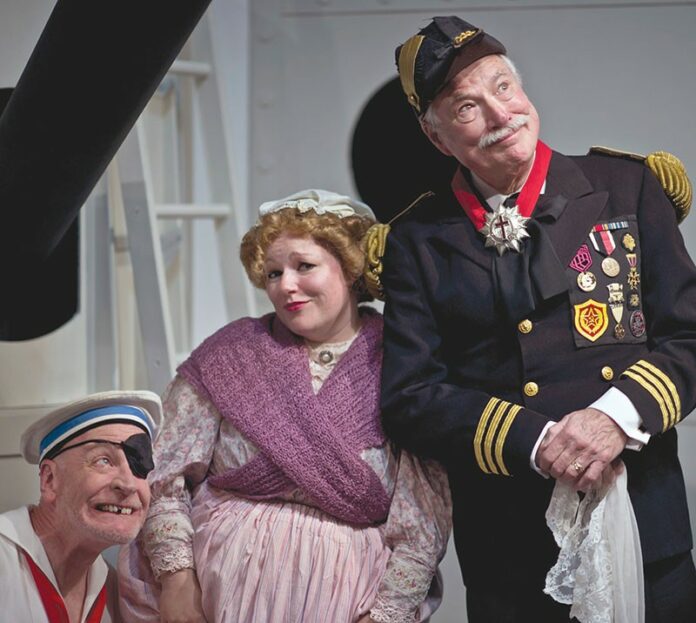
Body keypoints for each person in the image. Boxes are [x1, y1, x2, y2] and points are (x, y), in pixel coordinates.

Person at [378, 16, 696, 622]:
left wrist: (614, 417)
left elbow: (689, 334)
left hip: (644, 523)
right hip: (511, 545)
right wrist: (538, 441)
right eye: (466, 107)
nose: (500, 115)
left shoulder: (627, 186)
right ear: (438, 138)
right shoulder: (416, 239)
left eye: (503, 87)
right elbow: (410, 395)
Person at [117, 189, 451, 623]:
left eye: (304, 266)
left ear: (350, 267)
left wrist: (386, 615)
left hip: (347, 601)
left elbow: (424, 519)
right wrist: (177, 579)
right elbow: (163, 475)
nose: (285, 286)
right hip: (213, 598)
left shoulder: (401, 362)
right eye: (273, 273)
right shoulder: (231, 354)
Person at [0, 390, 161, 623]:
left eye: (140, 465)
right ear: (49, 479)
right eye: (103, 461)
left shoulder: (116, 596)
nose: (128, 484)